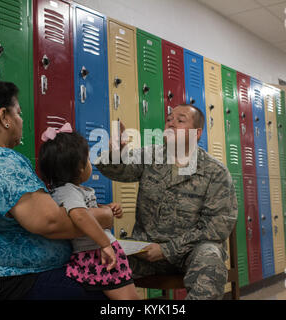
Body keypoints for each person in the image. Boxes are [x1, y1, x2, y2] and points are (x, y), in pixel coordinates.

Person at [0, 77, 113, 300]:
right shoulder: (0, 161)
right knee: (108, 289)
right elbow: (52, 222)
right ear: (4, 117)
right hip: (4, 284)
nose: (21, 120)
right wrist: (104, 216)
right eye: (18, 113)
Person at [95, 104, 238, 300]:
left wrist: (167, 250)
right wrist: (116, 151)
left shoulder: (215, 172)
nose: (171, 123)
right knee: (98, 260)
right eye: (169, 119)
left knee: (210, 259)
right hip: (145, 251)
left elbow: (217, 226)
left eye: (180, 120)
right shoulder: (150, 155)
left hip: (190, 252)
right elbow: (114, 170)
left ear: (197, 133)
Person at [38, 124, 140, 300]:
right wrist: (105, 244)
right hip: (97, 254)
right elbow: (80, 215)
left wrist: (106, 208)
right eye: (87, 159)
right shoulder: (68, 191)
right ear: (80, 167)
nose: (90, 163)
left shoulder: (70, 191)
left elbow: (85, 209)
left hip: (94, 254)